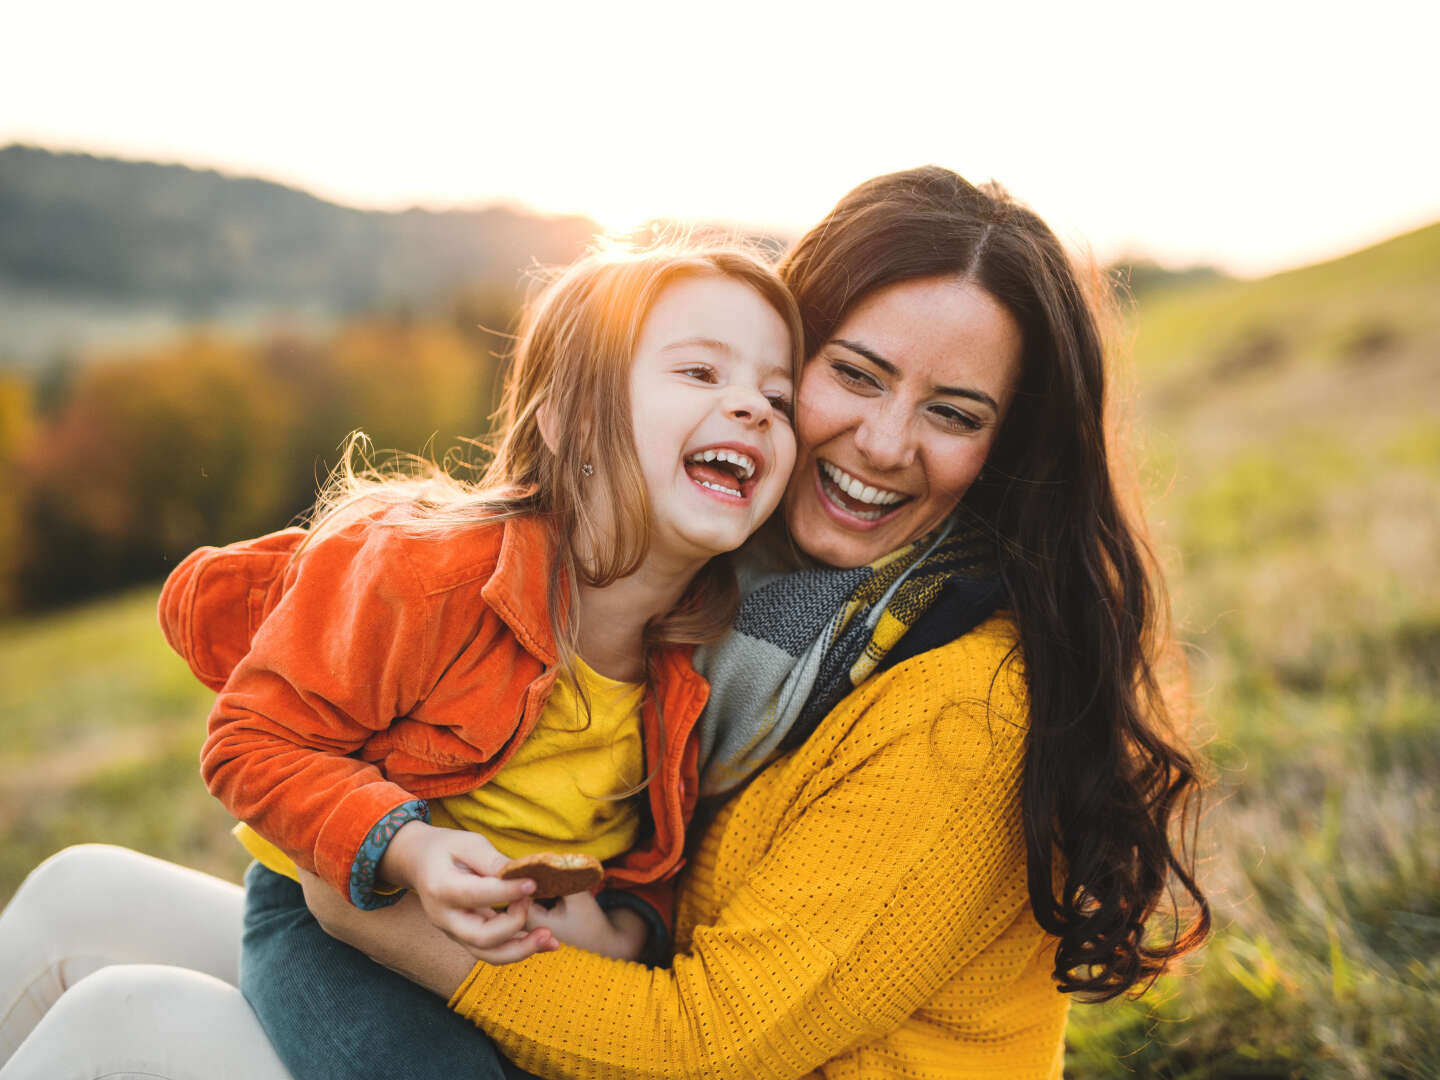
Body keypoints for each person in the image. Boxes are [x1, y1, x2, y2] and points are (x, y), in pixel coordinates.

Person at [0, 167, 1209, 1080]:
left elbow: (717, 1040)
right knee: (77, 893)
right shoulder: (741, 602)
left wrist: (372, 895)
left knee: (127, 1027)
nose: (886, 443)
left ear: (1010, 449)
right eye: (852, 374)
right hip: (564, 988)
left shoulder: (957, 697)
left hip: (679, 1057)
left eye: (953, 410)